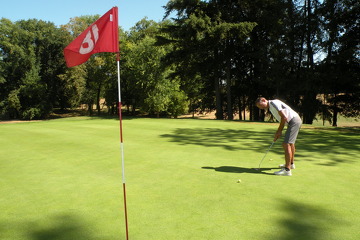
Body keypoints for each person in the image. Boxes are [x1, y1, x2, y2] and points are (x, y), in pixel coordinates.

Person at [255, 97, 302, 176]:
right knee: (290, 144)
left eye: (261, 105)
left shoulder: (273, 103)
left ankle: (287, 170)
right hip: (293, 121)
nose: (262, 108)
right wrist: (279, 131)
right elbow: (283, 118)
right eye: (260, 107)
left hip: (293, 121)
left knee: (286, 144)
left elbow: (284, 117)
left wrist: (279, 131)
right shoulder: (271, 107)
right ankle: (291, 164)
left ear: (263, 100)